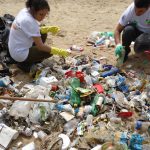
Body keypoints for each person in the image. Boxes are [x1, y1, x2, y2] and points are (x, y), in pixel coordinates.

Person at [8, 0, 70, 72]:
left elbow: (31, 29)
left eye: (45, 14)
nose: (43, 17)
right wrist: (60, 51)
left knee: (43, 32)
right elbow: (41, 47)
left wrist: (48, 29)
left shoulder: (25, 11)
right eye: (41, 14)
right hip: (19, 54)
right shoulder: (29, 21)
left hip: (14, 47)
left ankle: (31, 57)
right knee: (49, 52)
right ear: (34, 10)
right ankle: (24, 63)